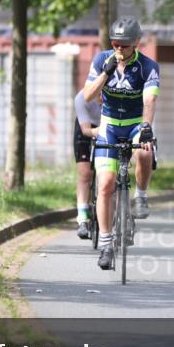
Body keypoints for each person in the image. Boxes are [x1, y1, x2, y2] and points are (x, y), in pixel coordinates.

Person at [83, 16, 160, 270]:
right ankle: (105, 244)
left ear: (136, 43)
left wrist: (147, 127)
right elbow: (88, 97)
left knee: (146, 152)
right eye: (115, 43)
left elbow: (149, 100)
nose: (119, 49)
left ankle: (141, 195)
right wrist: (106, 72)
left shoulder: (148, 67)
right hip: (109, 127)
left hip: (137, 123)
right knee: (105, 184)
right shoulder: (101, 60)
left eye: (124, 45)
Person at [73, 90, 101, 239]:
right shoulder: (82, 98)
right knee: (85, 173)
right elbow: (86, 130)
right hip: (87, 128)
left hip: (109, 129)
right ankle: (82, 217)